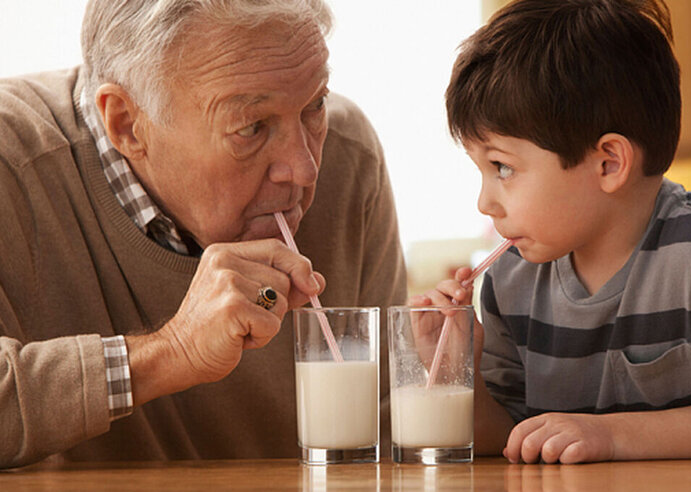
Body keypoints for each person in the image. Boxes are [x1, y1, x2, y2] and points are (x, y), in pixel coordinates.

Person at [0, 0, 406, 468]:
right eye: (251, 128)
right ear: (128, 125)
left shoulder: (348, 156)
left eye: (314, 106)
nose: (304, 167)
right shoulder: (14, 166)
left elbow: (387, 426)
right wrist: (172, 352)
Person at [414, 0, 691, 464]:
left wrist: (609, 436)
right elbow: (513, 436)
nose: (485, 202)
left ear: (609, 163)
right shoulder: (511, 282)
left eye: (503, 168)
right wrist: (459, 374)